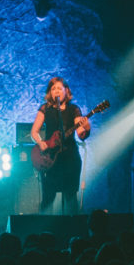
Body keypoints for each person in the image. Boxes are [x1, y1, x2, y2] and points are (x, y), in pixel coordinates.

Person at [31, 77, 90, 214]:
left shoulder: (74, 109)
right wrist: (41, 143)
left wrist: (86, 128)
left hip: (70, 158)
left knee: (70, 197)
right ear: (50, 92)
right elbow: (34, 131)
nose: (56, 91)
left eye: (59, 88)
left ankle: (72, 231)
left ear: (66, 90)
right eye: (53, 89)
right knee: (48, 197)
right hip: (50, 157)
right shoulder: (45, 109)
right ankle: (45, 231)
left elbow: (81, 134)